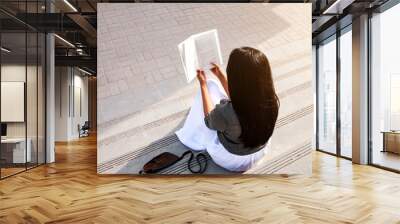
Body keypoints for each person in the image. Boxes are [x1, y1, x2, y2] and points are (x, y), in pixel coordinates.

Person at [176, 47, 279, 172]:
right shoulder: (271, 100)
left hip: (232, 159)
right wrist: (219, 75)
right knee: (214, 87)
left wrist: (203, 85)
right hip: (258, 151)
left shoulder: (226, 112)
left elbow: (209, 120)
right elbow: (240, 100)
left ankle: (190, 131)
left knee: (209, 86)